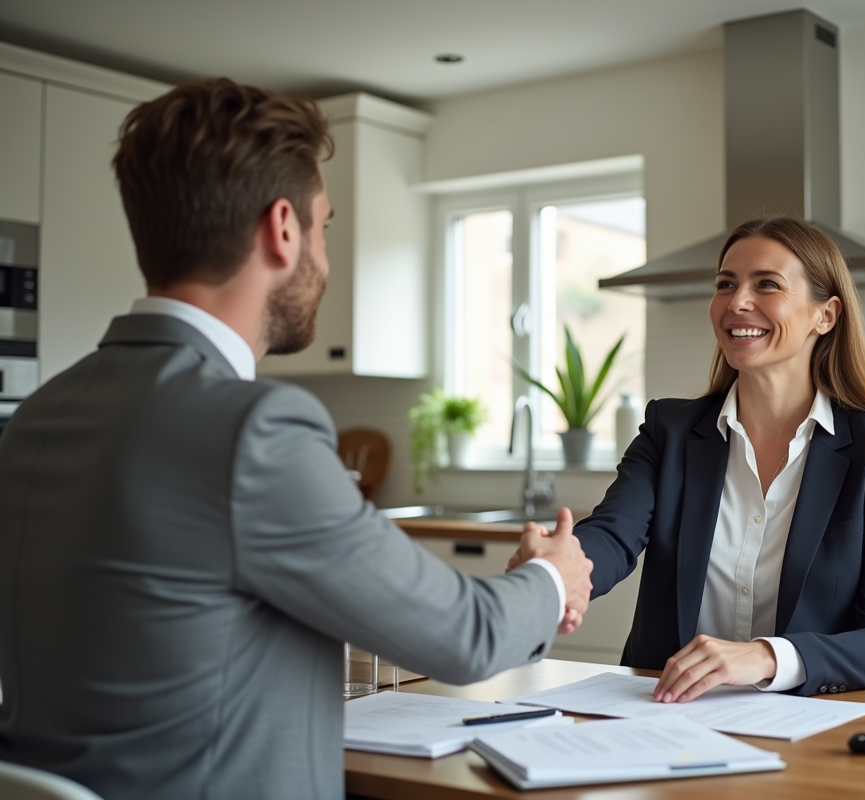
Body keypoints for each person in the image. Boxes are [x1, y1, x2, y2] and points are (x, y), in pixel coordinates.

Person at [0, 78, 592, 800]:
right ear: (283, 229)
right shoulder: (253, 431)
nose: (325, 257)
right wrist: (551, 576)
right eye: (325, 227)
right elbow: (463, 636)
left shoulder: (38, 416)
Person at [512, 216, 865, 703]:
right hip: (664, 715)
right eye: (725, 284)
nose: (736, 303)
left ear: (826, 316)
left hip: (807, 729)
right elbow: (612, 533)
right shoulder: (670, 431)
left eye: (766, 284)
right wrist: (560, 569)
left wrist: (767, 656)